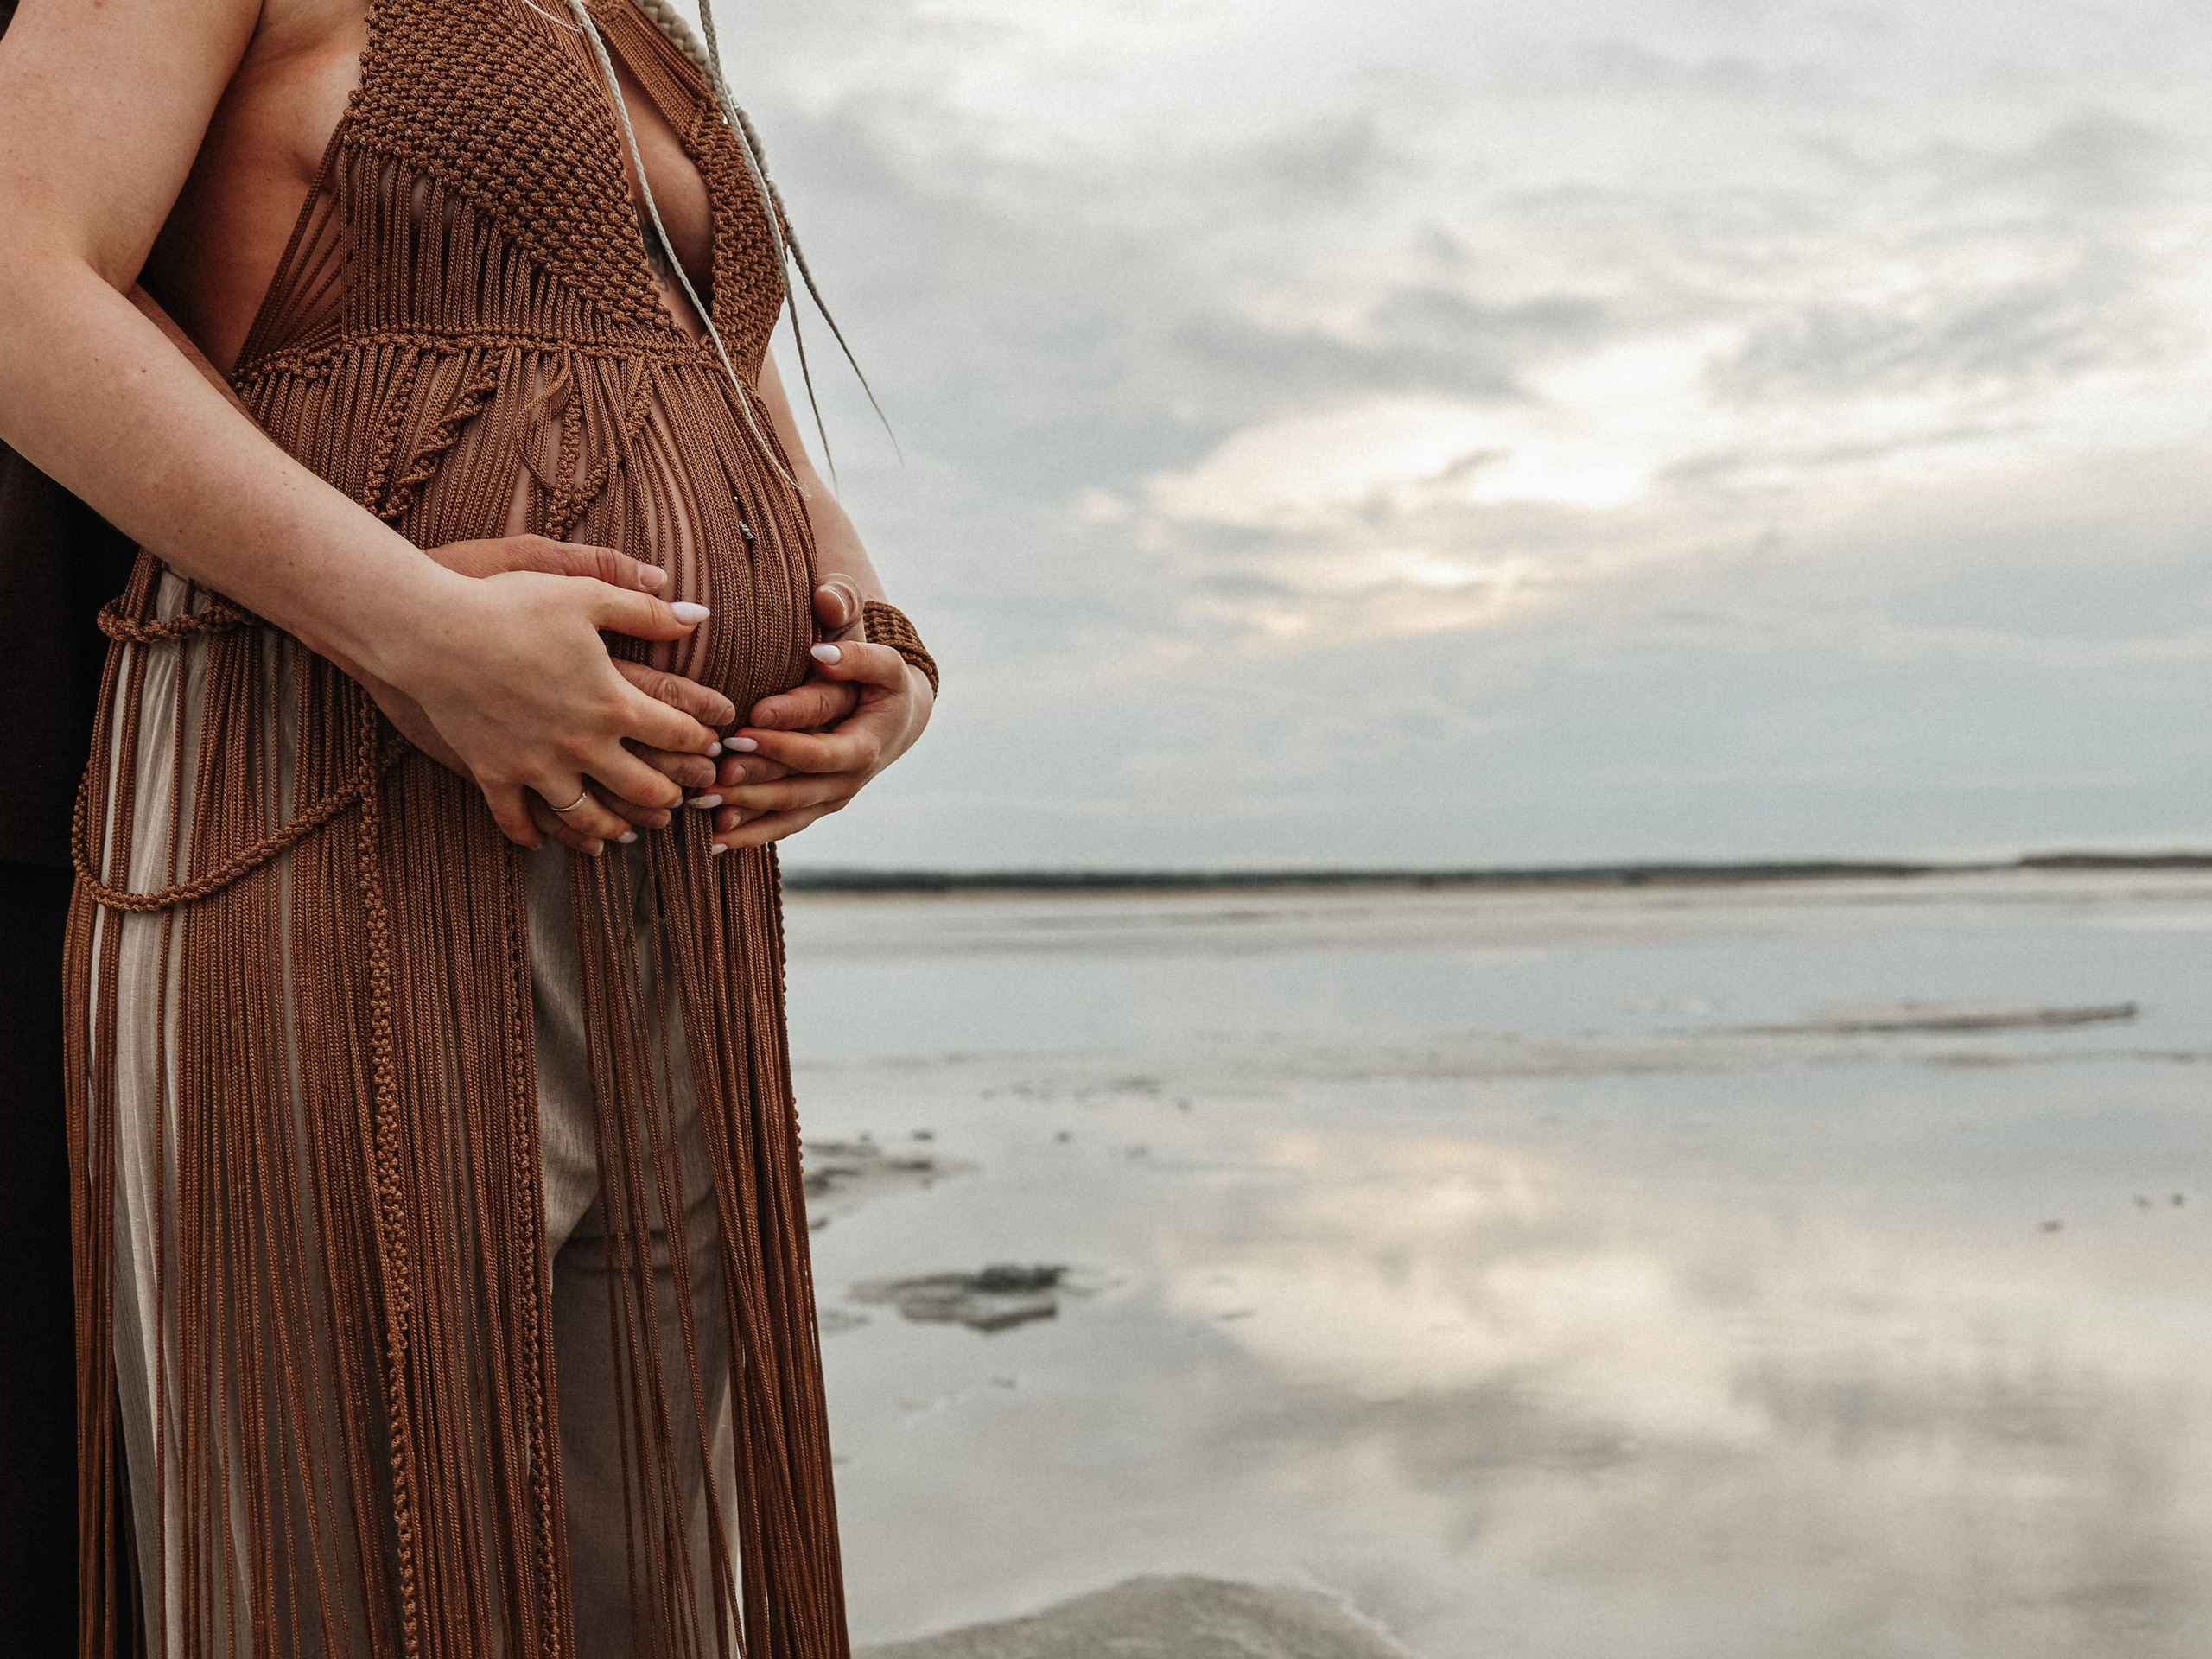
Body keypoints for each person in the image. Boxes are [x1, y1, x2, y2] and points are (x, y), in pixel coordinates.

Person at [0, 0, 936, 1653]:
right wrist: (413, 626)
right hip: (326, 804)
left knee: (654, 1562)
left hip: (676, 873)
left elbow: (722, 378)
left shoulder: (635, 25)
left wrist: (867, 630)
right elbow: (16, 275)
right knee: (362, 1562)